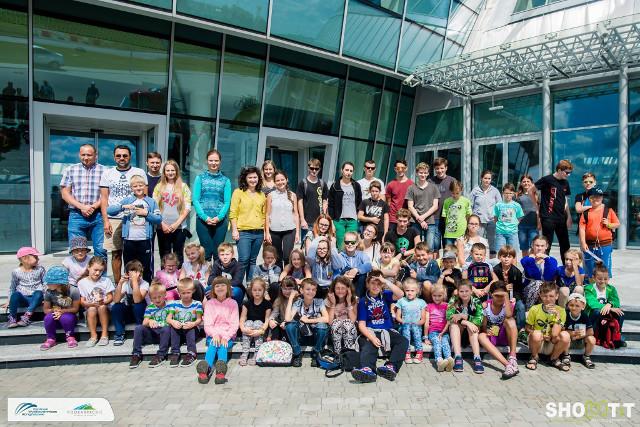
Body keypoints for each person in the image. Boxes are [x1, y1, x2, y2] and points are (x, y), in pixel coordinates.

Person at [100, 145, 147, 283]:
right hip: (114, 218)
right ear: (114, 157)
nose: (122, 158)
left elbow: (145, 196)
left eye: (125, 155)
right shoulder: (107, 173)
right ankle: (118, 285)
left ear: (130, 156)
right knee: (116, 253)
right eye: (118, 155)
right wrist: (106, 221)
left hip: (134, 218)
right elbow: (104, 199)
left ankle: (136, 283)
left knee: (135, 253)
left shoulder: (139, 172)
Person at [350, 270, 408, 383]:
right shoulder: (363, 301)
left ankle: (390, 367)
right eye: (373, 283)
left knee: (403, 341)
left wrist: (385, 281)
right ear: (367, 284)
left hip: (386, 330)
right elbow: (361, 325)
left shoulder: (385, 295)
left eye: (378, 283)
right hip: (371, 330)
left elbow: (401, 294)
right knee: (368, 345)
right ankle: (368, 370)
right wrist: (372, 337)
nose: (376, 286)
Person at [107, 174, 162, 284]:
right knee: (129, 267)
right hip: (129, 240)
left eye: (141, 185)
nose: (138, 188)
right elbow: (109, 210)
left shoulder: (151, 201)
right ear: (131, 188)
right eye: (135, 186)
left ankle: (146, 290)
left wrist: (146, 214)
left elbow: (158, 219)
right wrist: (122, 207)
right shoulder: (127, 200)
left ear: (145, 186)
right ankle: (129, 289)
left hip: (145, 240)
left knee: (146, 267)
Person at [60, 144, 106, 261]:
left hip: (98, 215)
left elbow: (107, 194)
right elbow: (65, 194)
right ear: (79, 155)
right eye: (83, 155)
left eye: (89, 155)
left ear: (96, 156)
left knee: (101, 250)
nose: (86, 157)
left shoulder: (105, 171)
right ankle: (78, 273)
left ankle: (101, 273)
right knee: (77, 250)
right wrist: (82, 207)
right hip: (76, 215)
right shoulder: (70, 170)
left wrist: (93, 207)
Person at [196, 277, 239, 385]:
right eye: (217, 286)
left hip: (228, 335)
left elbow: (234, 324)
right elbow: (208, 324)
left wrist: (226, 337)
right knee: (213, 344)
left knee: (223, 345)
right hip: (212, 335)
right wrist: (214, 334)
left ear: (228, 288)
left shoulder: (233, 303)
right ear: (213, 289)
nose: (220, 288)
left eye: (223, 285)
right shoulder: (210, 304)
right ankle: (206, 368)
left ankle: (220, 372)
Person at [529, 160, 573, 263]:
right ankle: (544, 267)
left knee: (565, 245)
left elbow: (565, 199)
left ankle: (566, 267)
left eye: (570, 173)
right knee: (546, 245)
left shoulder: (565, 182)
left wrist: (569, 216)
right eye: (567, 172)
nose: (568, 175)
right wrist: (537, 207)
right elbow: (531, 190)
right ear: (559, 170)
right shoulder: (547, 179)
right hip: (548, 217)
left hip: (561, 218)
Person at [193, 149, 231, 262]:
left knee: (219, 253)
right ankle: (207, 273)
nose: (213, 163)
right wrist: (205, 217)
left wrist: (219, 217)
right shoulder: (200, 178)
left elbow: (227, 202)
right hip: (203, 222)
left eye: (216, 160)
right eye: (211, 160)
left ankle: (217, 273)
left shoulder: (226, 180)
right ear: (207, 161)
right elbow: (195, 200)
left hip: (220, 222)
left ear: (220, 162)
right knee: (206, 253)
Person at [230, 166, 266, 282]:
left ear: (258, 178)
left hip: (258, 232)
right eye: (250, 177)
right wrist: (234, 230)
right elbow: (233, 212)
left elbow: (264, 215)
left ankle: (250, 286)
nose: (253, 180)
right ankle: (237, 285)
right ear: (245, 178)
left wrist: (265, 232)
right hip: (243, 232)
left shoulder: (261, 194)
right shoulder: (238, 192)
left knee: (252, 260)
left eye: (255, 177)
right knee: (243, 260)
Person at [478, 281, 520, 379]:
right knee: (481, 336)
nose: (500, 298)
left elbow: (508, 315)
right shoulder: (486, 305)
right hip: (492, 336)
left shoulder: (507, 304)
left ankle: (512, 357)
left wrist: (506, 296)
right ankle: (508, 365)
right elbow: (483, 326)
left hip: (504, 335)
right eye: (497, 295)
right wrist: (487, 331)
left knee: (510, 321)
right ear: (491, 294)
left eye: (502, 295)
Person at [525, 281, 570, 371]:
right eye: (545, 296)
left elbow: (555, 334)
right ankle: (534, 357)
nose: (548, 299)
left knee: (565, 335)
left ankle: (553, 358)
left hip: (552, 342)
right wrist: (540, 333)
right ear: (540, 296)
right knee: (536, 334)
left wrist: (557, 316)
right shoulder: (534, 309)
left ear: (557, 296)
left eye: (551, 296)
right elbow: (527, 329)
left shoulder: (561, 311)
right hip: (537, 342)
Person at [153, 160, 191, 265]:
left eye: (173, 170)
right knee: (164, 255)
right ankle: (164, 275)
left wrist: (176, 224)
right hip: (162, 227)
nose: (170, 173)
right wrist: (162, 224)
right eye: (168, 170)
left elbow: (187, 207)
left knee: (178, 256)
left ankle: (178, 276)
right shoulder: (159, 187)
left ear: (177, 171)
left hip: (179, 227)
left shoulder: (184, 187)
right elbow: (154, 208)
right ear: (164, 172)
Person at [285, 278, 330, 368]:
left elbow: (326, 319)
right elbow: (287, 319)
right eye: (308, 289)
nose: (311, 292)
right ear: (301, 290)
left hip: (315, 336)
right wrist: (290, 298)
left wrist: (307, 320)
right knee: (289, 326)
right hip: (301, 336)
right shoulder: (297, 303)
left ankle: (316, 353)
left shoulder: (319, 302)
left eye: (313, 290)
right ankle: (297, 353)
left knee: (323, 326)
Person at [578, 187, 620, 279]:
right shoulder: (586, 213)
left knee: (605, 268)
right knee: (590, 267)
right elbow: (582, 229)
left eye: (598, 197)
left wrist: (609, 224)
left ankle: (604, 286)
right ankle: (591, 285)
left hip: (605, 245)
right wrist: (583, 243)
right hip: (589, 246)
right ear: (589, 199)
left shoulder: (608, 211)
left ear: (602, 198)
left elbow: (617, 224)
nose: (595, 199)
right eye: (592, 197)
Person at [129, 283, 171, 369]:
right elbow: (144, 322)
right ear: (150, 298)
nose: (157, 300)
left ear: (165, 295)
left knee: (166, 329)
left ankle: (161, 354)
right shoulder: (150, 307)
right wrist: (150, 321)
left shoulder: (170, 306)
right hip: (153, 334)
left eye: (159, 297)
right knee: (138, 328)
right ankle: (136, 354)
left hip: (166, 335)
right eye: (154, 298)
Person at [447, 279, 484, 373]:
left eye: (467, 291)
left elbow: (479, 320)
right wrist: (467, 322)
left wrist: (465, 316)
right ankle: (458, 357)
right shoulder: (454, 300)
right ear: (458, 292)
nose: (464, 294)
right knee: (453, 325)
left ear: (471, 291)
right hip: (457, 334)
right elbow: (449, 316)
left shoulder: (476, 301)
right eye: (461, 291)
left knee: (473, 327)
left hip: (472, 335)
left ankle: (477, 358)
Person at [584, 263, 625, 348]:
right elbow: (592, 304)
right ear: (594, 278)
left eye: (605, 279)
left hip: (606, 314)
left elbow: (616, 301)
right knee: (597, 311)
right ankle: (593, 334)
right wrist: (609, 308)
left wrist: (610, 304)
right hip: (593, 315)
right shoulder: (589, 288)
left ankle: (616, 335)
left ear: (609, 278)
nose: (602, 281)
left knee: (620, 313)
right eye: (599, 279)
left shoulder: (611, 289)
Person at [40, 266, 80, 350]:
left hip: (70, 317)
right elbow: (46, 309)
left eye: (49, 282)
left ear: (59, 283)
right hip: (55, 315)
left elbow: (75, 309)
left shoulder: (73, 290)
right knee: (48, 317)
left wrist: (62, 311)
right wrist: (54, 310)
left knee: (66, 317)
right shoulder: (49, 292)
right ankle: (50, 338)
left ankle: (70, 337)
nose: (47, 284)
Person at [77, 256, 114, 347]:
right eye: (95, 270)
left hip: (105, 311)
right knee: (92, 309)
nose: (98, 273)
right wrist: (91, 304)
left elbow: (110, 297)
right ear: (88, 267)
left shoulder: (106, 280)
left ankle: (104, 334)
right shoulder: (82, 282)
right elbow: (82, 301)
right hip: (90, 313)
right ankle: (93, 336)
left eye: (101, 271)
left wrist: (104, 302)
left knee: (102, 307)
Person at [5, 247, 46, 328]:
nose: (38, 259)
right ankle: (12, 318)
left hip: (36, 299)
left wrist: (46, 298)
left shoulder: (40, 269)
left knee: (38, 292)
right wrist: (9, 300)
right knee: (15, 294)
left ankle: (26, 316)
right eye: (35, 257)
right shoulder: (16, 272)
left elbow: (45, 284)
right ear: (25, 259)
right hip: (23, 298)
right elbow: (13, 287)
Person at [266, 170, 299, 269]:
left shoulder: (293, 195)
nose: (280, 182)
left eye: (282, 179)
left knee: (287, 256)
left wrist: (297, 232)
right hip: (274, 231)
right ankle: (279, 276)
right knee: (277, 257)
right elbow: (267, 214)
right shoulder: (270, 195)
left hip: (290, 230)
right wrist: (267, 233)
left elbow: (296, 214)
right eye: (277, 180)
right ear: (274, 182)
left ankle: (288, 275)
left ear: (286, 180)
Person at [111, 260, 150, 346]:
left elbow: (137, 300)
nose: (137, 276)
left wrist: (135, 282)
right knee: (116, 307)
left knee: (138, 306)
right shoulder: (125, 283)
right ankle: (119, 334)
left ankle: (141, 333)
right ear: (127, 274)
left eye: (138, 273)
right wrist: (120, 284)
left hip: (141, 315)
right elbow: (116, 300)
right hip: (129, 314)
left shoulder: (145, 284)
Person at [166, 278, 203, 368]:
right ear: (179, 292)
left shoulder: (197, 304)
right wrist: (173, 321)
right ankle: (175, 353)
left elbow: (199, 320)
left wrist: (193, 324)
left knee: (190, 328)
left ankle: (191, 353)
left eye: (188, 292)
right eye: (183, 293)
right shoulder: (174, 304)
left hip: (192, 330)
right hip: (179, 330)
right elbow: (168, 319)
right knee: (173, 327)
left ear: (193, 291)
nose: (186, 295)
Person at [493, 246, 526, 339]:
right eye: (504, 256)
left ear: (513, 258)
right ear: (499, 257)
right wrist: (504, 287)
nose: (506, 259)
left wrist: (515, 297)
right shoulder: (495, 270)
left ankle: (521, 330)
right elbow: (493, 287)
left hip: (512, 297)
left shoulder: (516, 272)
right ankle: (494, 327)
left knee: (521, 306)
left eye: (509, 257)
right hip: (498, 296)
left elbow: (519, 289)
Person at [328, 162, 362, 250]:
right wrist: (331, 222)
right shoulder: (335, 186)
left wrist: (358, 216)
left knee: (351, 244)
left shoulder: (356, 185)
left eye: (351, 171)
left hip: (352, 220)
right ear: (342, 170)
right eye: (347, 170)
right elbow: (330, 205)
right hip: (339, 220)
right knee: (340, 245)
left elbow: (359, 202)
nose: (349, 172)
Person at [406, 162, 440, 249]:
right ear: (417, 173)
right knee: (416, 247)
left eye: (425, 173)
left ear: (428, 174)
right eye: (421, 173)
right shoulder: (411, 188)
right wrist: (420, 219)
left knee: (430, 248)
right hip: (415, 221)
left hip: (430, 221)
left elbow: (435, 206)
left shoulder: (434, 187)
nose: (423, 175)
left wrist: (423, 217)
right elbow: (410, 206)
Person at [239, 278, 272, 366]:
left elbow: (267, 320)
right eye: (255, 290)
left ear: (264, 291)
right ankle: (245, 354)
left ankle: (257, 353)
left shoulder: (267, 304)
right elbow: (242, 318)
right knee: (248, 322)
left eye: (260, 290)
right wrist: (243, 328)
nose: (257, 292)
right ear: (251, 291)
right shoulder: (247, 303)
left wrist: (261, 331)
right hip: (249, 329)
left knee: (257, 322)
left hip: (261, 329)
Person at [521, 235, 559, 309]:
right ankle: (529, 310)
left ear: (546, 246)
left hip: (547, 289)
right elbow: (535, 276)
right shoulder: (526, 260)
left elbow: (548, 277)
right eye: (537, 245)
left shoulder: (552, 260)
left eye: (542, 246)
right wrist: (532, 259)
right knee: (538, 283)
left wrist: (546, 258)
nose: (539, 248)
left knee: (549, 287)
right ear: (532, 246)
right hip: (530, 291)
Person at [470, 170, 502, 257]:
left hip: (491, 221)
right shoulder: (475, 190)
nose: (487, 180)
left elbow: (500, 205)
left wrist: (497, 217)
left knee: (492, 242)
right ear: (481, 178)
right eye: (485, 178)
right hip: (479, 221)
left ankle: (492, 260)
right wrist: (472, 219)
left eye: (489, 178)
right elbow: (470, 205)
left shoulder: (495, 191)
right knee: (478, 242)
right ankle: (478, 259)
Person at [395, 277, 427, 364]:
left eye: (412, 291)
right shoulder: (401, 301)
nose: (409, 293)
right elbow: (398, 317)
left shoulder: (421, 302)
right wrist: (404, 322)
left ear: (417, 291)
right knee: (406, 327)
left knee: (415, 327)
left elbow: (423, 319)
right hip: (404, 328)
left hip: (416, 328)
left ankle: (419, 351)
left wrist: (417, 323)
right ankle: (407, 352)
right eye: (407, 290)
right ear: (404, 290)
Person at [296, 159, 328, 242]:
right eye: (312, 168)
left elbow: (325, 201)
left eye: (316, 169)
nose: (314, 171)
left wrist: (324, 216)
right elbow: (300, 202)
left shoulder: (322, 184)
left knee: (320, 245)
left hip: (320, 222)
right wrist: (302, 220)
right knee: (307, 246)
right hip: (307, 222)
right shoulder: (303, 183)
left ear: (319, 169)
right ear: (308, 168)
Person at [429, 157, 455, 255]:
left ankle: (447, 262)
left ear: (446, 168)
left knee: (447, 244)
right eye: (437, 168)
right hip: (434, 217)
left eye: (442, 168)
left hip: (448, 218)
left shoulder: (452, 181)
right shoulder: (430, 181)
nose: (439, 170)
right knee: (435, 245)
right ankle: (435, 262)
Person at [325, 276, 358, 354]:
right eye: (338, 288)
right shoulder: (328, 300)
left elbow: (353, 320)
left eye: (343, 288)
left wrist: (349, 302)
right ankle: (337, 353)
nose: (340, 291)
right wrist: (333, 304)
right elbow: (330, 322)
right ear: (334, 289)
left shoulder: (354, 299)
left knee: (347, 323)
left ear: (348, 289)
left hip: (350, 333)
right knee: (336, 322)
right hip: (334, 334)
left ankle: (348, 352)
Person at [424, 284, 453, 372]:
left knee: (445, 342)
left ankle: (449, 360)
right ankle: (439, 361)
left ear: (444, 295)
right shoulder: (429, 306)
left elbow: (449, 321)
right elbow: (426, 322)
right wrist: (425, 337)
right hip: (433, 332)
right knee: (437, 342)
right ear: (431, 295)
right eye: (434, 295)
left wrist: (443, 332)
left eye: (439, 296)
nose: (437, 298)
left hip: (444, 332)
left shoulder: (447, 306)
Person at [564, 293, 596, 369]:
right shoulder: (566, 315)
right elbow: (562, 330)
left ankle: (586, 356)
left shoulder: (584, 316)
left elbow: (591, 331)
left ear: (583, 307)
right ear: (568, 305)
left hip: (581, 340)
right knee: (565, 336)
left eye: (577, 306)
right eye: (571, 305)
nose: (574, 308)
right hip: (569, 341)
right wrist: (572, 333)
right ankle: (566, 356)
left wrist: (579, 336)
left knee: (592, 339)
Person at [208, 242, 244, 307]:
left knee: (236, 292)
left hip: (233, 288)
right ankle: (215, 308)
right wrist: (220, 286)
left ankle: (236, 308)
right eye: (222, 254)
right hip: (219, 287)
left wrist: (223, 286)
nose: (225, 257)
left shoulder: (238, 265)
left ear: (232, 255)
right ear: (218, 256)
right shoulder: (216, 264)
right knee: (208, 289)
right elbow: (210, 280)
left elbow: (237, 282)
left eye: (227, 254)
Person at [338, 231, 372, 297]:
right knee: (346, 269)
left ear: (356, 243)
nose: (350, 244)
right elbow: (336, 272)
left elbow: (369, 265)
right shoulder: (340, 256)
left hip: (358, 285)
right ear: (344, 243)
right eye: (347, 242)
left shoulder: (361, 254)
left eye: (352, 242)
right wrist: (343, 276)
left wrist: (357, 270)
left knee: (362, 273)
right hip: (345, 282)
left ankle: (358, 297)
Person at [493, 182, 524, 254]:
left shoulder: (516, 205)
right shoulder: (498, 205)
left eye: (510, 193)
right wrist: (499, 225)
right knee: (500, 253)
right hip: (500, 233)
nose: (508, 195)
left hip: (513, 233)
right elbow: (495, 217)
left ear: (513, 193)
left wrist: (514, 224)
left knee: (513, 253)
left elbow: (519, 217)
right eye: (506, 193)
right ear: (503, 193)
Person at [386, 159, 413, 233]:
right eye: (398, 168)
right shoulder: (390, 184)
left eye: (403, 168)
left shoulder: (411, 184)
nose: (400, 170)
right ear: (395, 169)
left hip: (406, 219)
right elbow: (388, 202)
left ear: (406, 168)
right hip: (393, 218)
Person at [442, 180, 472, 247]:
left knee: (461, 251)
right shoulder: (447, 201)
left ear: (461, 191)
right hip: (449, 233)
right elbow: (445, 216)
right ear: (450, 191)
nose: (455, 195)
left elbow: (468, 215)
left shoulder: (466, 201)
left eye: (457, 193)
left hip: (461, 232)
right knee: (449, 252)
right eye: (453, 193)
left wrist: (466, 229)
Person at [268, 276, 296, 341]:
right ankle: (274, 342)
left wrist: (286, 322)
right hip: (282, 324)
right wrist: (271, 320)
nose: (287, 291)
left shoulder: (298, 300)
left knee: (289, 327)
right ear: (281, 288)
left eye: (290, 289)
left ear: (295, 289)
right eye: (285, 289)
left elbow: (297, 317)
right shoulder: (279, 300)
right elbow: (275, 312)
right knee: (274, 324)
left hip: (293, 324)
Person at [516, 175, 538, 258]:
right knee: (524, 248)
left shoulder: (536, 195)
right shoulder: (518, 196)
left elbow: (539, 210)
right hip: (522, 226)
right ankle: (525, 264)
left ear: (532, 183)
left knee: (534, 246)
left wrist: (539, 223)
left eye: (528, 181)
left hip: (534, 226)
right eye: (524, 181)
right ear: (521, 183)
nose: (526, 183)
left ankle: (531, 263)